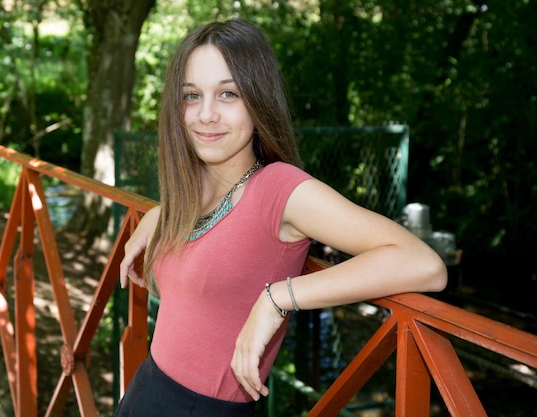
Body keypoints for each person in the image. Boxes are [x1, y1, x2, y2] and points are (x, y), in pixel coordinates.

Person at [115, 18, 447, 417]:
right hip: (144, 392)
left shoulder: (279, 188)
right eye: (191, 96)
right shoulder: (194, 184)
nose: (205, 114)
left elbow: (425, 264)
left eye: (228, 94)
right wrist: (159, 214)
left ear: (258, 100)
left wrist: (279, 298)